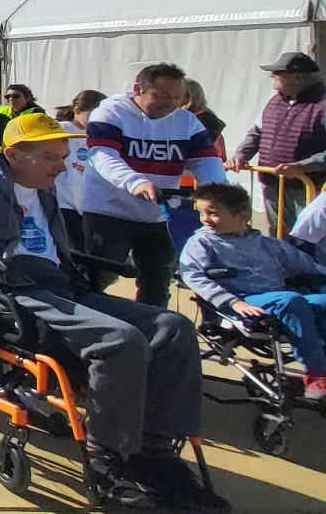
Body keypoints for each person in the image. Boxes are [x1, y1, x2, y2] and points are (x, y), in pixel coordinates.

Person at [0, 113, 225, 511]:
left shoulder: (39, 184)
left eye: (62, 155)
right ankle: (106, 460)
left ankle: (155, 452)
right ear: (14, 155)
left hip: (60, 282)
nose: (62, 165)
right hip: (16, 289)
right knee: (120, 341)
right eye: (50, 157)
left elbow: (54, 244)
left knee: (174, 326)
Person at [80, 63, 227, 307]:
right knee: (100, 276)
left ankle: (157, 336)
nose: (171, 103)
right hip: (109, 212)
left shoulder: (187, 122)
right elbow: (102, 154)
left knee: (158, 281)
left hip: (159, 215)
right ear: (139, 89)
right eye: (163, 95)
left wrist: (220, 194)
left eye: (179, 97)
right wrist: (135, 182)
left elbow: (206, 161)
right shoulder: (110, 113)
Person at [178, 182, 326, 401]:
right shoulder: (202, 243)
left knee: (321, 301)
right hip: (243, 302)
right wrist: (232, 302)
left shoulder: (266, 243)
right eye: (202, 213)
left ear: (242, 216)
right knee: (290, 300)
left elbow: (307, 264)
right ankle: (315, 371)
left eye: (213, 213)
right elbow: (193, 276)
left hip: (277, 297)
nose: (205, 219)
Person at [229, 51, 326, 237]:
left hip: (308, 186)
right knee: (278, 235)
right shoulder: (274, 101)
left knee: (307, 237)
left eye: (278, 73)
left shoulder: (322, 105)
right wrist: (241, 155)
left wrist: (302, 167)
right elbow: (257, 133)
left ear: (298, 77)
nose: (272, 76)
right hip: (272, 181)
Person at [53, 90, 107, 241]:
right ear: (76, 111)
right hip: (64, 198)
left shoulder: (100, 133)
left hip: (87, 201)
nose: (96, 121)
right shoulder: (62, 129)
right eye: (92, 115)